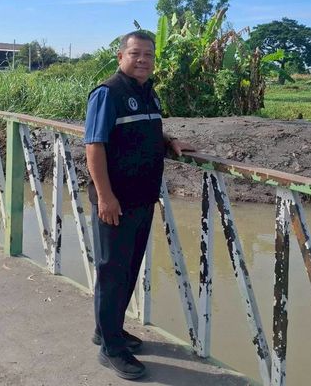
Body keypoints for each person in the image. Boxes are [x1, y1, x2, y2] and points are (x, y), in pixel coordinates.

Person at [84, 30, 193, 380]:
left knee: (129, 269)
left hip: (142, 198)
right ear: (121, 57)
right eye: (135, 54)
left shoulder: (147, 92)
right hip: (115, 201)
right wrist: (105, 197)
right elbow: (94, 146)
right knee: (113, 272)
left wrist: (170, 141)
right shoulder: (108, 93)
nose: (143, 60)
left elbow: (145, 130)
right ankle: (111, 349)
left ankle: (108, 330)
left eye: (149, 54)